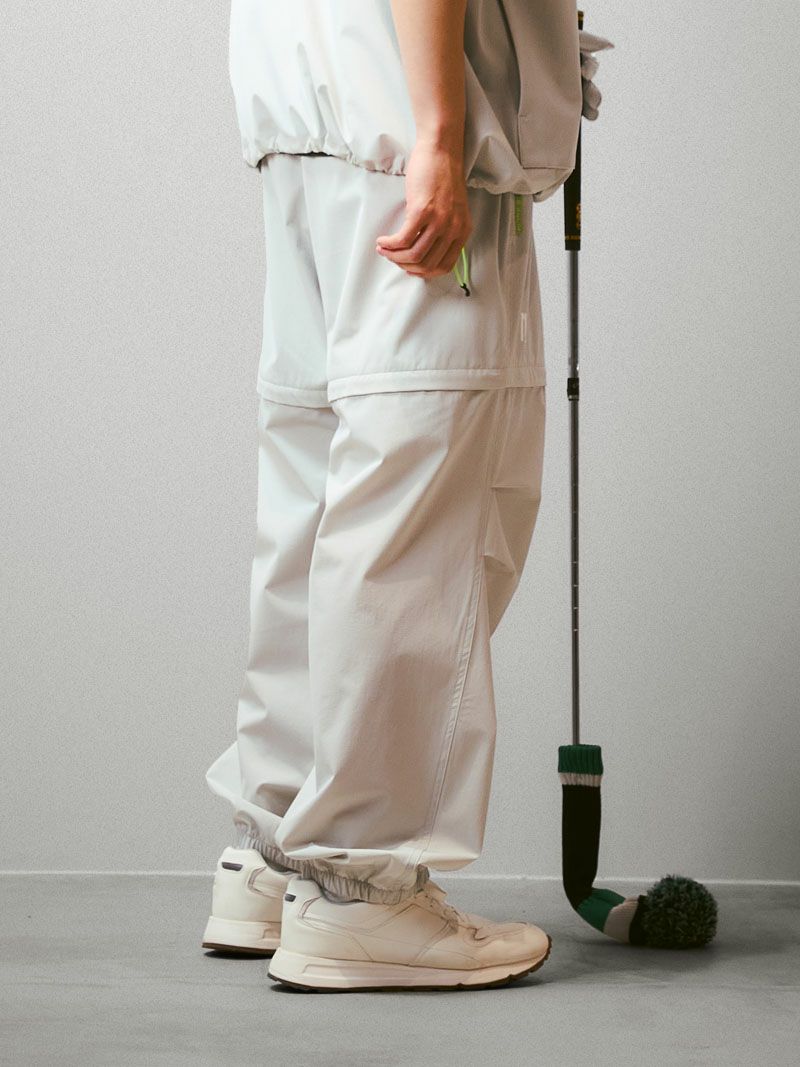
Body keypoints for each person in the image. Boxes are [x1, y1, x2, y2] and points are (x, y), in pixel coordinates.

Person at [203, 0, 611, 992]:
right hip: (408, 130)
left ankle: (275, 856)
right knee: (417, 516)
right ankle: (363, 888)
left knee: (317, 502)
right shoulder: (425, 131)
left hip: (312, 127)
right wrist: (439, 133)